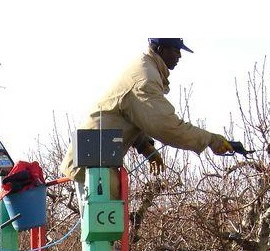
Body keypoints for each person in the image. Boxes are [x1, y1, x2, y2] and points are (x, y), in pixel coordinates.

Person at [61, 38, 235, 198]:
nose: (180, 56)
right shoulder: (145, 80)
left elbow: (125, 114)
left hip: (97, 160)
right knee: (103, 230)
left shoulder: (144, 68)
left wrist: (145, 146)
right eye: (175, 49)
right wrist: (210, 139)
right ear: (161, 49)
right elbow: (167, 126)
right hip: (93, 165)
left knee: (106, 228)